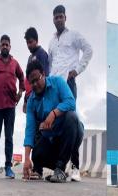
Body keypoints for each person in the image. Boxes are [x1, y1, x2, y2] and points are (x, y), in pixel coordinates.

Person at [48, 4, 92, 181]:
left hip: (68, 83)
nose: (58, 19)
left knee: (72, 121)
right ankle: (60, 166)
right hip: (55, 87)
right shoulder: (51, 41)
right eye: (56, 16)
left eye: (61, 16)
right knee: (58, 124)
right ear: (53, 19)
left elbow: (89, 50)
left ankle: (75, 168)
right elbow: (50, 64)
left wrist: (77, 70)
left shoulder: (74, 35)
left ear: (65, 18)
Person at [23, 60, 84, 183]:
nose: (35, 84)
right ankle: (40, 169)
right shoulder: (31, 101)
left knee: (71, 117)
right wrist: (26, 159)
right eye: (32, 82)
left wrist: (54, 113)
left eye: (37, 79)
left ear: (44, 74)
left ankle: (60, 169)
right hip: (53, 139)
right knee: (37, 155)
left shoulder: (58, 82)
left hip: (71, 134)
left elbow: (71, 102)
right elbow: (29, 129)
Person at [0, 34, 25, 179]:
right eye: (2, 44)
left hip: (10, 106)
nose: (5, 46)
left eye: (7, 44)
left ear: (10, 46)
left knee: (9, 137)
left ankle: (8, 167)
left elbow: (22, 77)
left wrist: (21, 91)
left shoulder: (15, 63)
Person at [23, 27, 49, 114]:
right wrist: (25, 100)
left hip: (40, 98)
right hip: (30, 98)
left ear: (36, 40)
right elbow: (27, 80)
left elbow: (45, 77)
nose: (28, 45)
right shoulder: (30, 58)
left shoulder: (42, 54)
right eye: (27, 43)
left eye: (30, 42)